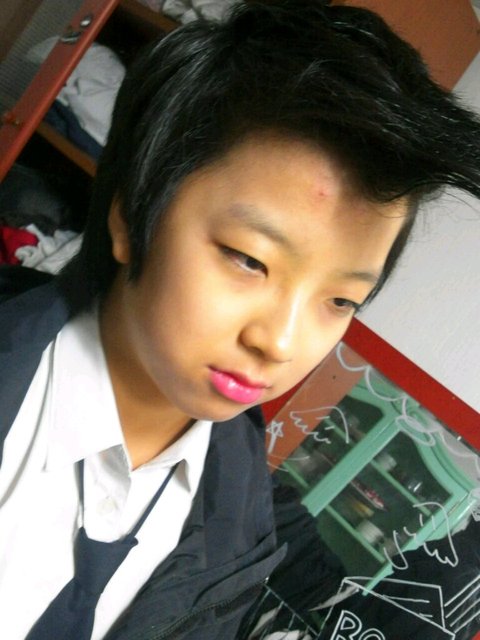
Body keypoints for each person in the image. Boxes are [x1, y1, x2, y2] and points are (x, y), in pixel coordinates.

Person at [1, 1, 480, 638]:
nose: (280, 341)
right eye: (249, 260)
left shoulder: (246, 511)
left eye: (340, 300)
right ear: (130, 213)